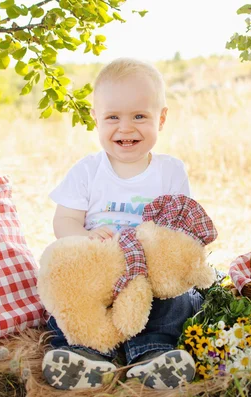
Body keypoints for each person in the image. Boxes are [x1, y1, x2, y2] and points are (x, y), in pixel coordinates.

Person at [42, 58, 203, 390]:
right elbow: (65, 219)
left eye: (139, 116)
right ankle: (83, 353)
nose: (126, 128)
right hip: (100, 270)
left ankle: (152, 353)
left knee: (177, 299)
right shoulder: (88, 170)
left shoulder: (170, 171)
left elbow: (179, 228)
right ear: (95, 119)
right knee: (68, 291)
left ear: (161, 118)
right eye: (113, 117)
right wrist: (84, 236)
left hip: (148, 276)